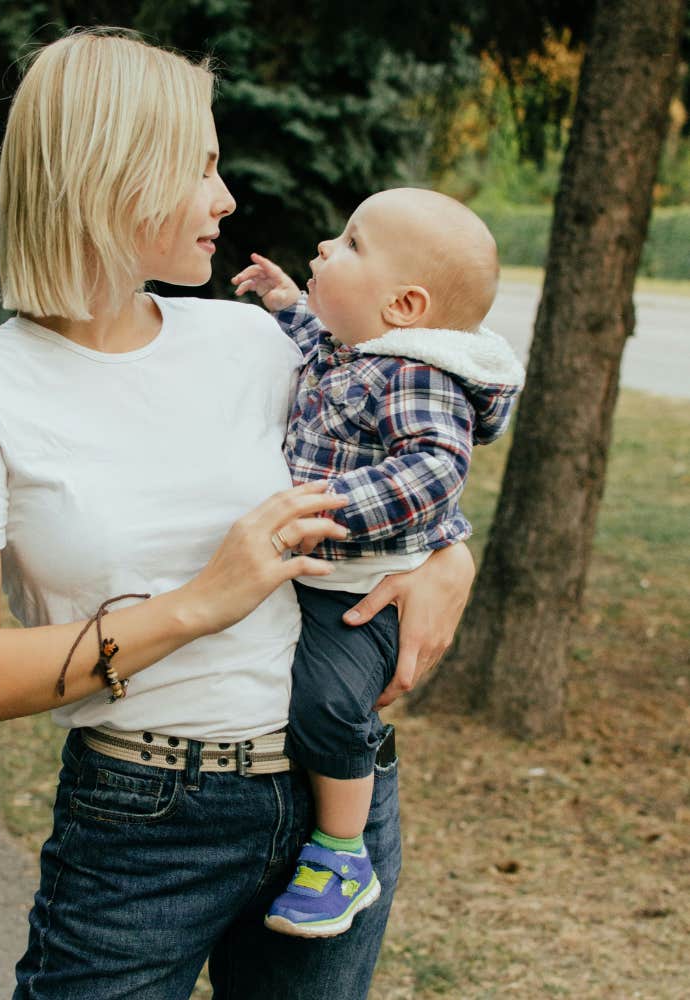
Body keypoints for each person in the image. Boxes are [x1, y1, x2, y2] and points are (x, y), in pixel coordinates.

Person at [0, 28, 476, 1000]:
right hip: (143, 822)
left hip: (337, 809)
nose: (225, 196)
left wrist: (450, 556)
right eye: (201, 164)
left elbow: (409, 458)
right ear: (113, 170)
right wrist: (199, 602)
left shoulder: (255, 340)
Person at [232, 188, 525, 938]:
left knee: (327, 702)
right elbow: (321, 342)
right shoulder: (361, 348)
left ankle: (339, 854)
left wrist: (321, 507)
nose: (328, 246)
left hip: (364, 591)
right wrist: (288, 300)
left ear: (405, 305)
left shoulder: (417, 376)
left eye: (352, 244)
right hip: (328, 572)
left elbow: (433, 470)